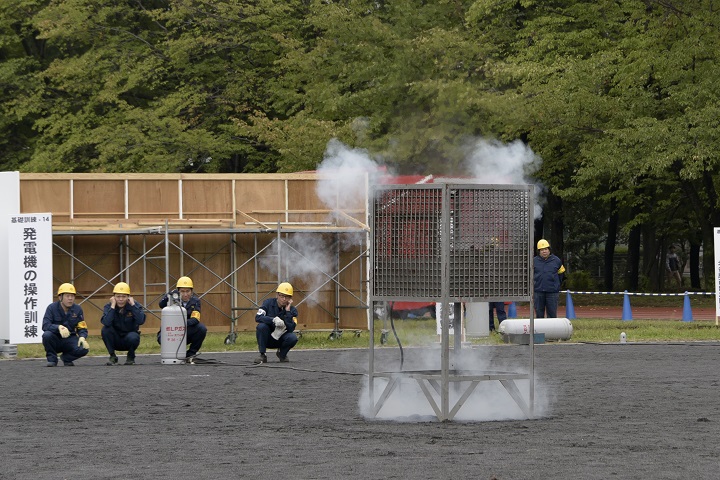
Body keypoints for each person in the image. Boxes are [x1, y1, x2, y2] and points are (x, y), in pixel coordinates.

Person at [157, 276, 207, 359]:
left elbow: (195, 319)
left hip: (186, 331)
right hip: (170, 331)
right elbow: (161, 305)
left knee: (202, 329)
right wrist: (168, 295)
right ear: (178, 292)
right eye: (182, 291)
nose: (185, 294)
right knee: (161, 339)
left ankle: (191, 354)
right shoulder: (171, 300)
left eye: (188, 291)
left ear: (192, 291)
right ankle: (170, 353)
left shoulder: (195, 301)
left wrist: (180, 324)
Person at [41, 283, 90, 367]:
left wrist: (82, 337)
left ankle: (66, 358)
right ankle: (52, 360)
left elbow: (82, 327)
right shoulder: (51, 308)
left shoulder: (77, 309)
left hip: (70, 339)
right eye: (67, 296)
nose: (70, 299)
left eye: (72, 296)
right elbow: (45, 325)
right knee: (47, 335)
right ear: (60, 297)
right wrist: (58, 327)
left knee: (84, 348)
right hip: (55, 339)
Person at [101, 282, 146, 366]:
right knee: (105, 330)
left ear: (128, 297)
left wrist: (133, 306)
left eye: (123, 296)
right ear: (114, 297)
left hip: (129, 338)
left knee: (134, 337)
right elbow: (106, 322)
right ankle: (113, 356)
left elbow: (141, 321)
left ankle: (131, 356)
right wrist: (113, 306)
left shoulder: (134, 305)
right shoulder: (109, 306)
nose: (121, 299)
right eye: (118, 296)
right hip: (115, 339)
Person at [254, 282, 299, 364]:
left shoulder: (293, 310)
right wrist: (273, 320)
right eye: (282, 296)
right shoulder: (267, 303)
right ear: (277, 295)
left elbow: (291, 329)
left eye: (287, 297)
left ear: (290, 299)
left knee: (293, 338)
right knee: (261, 326)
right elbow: (258, 317)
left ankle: (282, 354)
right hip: (267, 338)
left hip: (281, 339)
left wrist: (288, 312)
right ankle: (262, 355)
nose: (284, 299)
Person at [533, 239, 565, 318]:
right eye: (542, 250)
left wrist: (556, 285)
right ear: (539, 251)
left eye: (546, 249)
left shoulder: (557, 260)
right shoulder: (533, 261)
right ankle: (539, 330)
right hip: (538, 292)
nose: (544, 251)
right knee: (539, 314)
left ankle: (552, 330)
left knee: (552, 314)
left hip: (552, 292)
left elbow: (561, 275)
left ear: (549, 250)